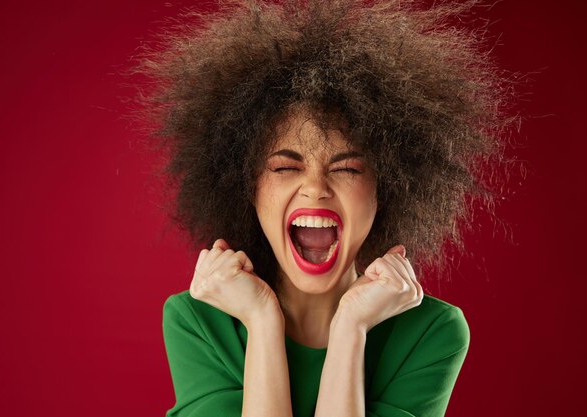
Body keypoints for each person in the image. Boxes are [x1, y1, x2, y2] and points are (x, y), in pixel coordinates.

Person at [132, 1, 513, 416]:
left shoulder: (431, 333)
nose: (315, 189)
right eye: (284, 166)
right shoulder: (199, 321)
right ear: (246, 186)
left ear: (386, 188)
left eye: (347, 167)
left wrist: (352, 327)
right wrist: (261, 321)